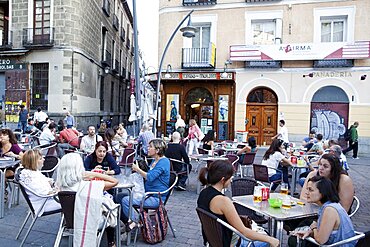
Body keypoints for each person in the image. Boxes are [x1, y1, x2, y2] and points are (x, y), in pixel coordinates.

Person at [197, 160, 279, 247]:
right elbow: (244, 232)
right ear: (223, 180)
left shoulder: (203, 193)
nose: (231, 179)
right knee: (269, 240)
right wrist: (271, 239)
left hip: (213, 241)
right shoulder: (223, 201)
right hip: (231, 243)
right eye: (230, 177)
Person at [56, 153, 119, 247]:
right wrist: (93, 173)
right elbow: (114, 182)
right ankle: (111, 242)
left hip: (69, 221)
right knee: (111, 209)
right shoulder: (89, 186)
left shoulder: (60, 187)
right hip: (90, 222)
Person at [288, 176, 356, 247]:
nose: (307, 193)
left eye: (311, 190)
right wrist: (310, 232)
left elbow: (320, 240)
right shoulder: (330, 205)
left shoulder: (330, 210)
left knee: (294, 241)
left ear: (322, 192)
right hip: (336, 243)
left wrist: (314, 227)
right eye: (307, 189)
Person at [120, 139, 170, 229]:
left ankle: (136, 221)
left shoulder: (164, 162)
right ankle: (132, 221)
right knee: (119, 196)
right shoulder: (155, 161)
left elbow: (150, 177)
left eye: (150, 147)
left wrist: (137, 169)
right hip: (147, 194)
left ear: (157, 150)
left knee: (125, 200)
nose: (148, 148)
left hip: (156, 197)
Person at [19, 149, 61, 216]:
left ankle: (66, 221)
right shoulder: (30, 177)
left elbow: (44, 180)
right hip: (42, 205)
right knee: (71, 201)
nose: (44, 159)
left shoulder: (31, 172)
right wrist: (57, 190)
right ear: (33, 162)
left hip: (41, 201)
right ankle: (68, 223)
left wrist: (52, 183)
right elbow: (44, 193)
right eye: (41, 159)